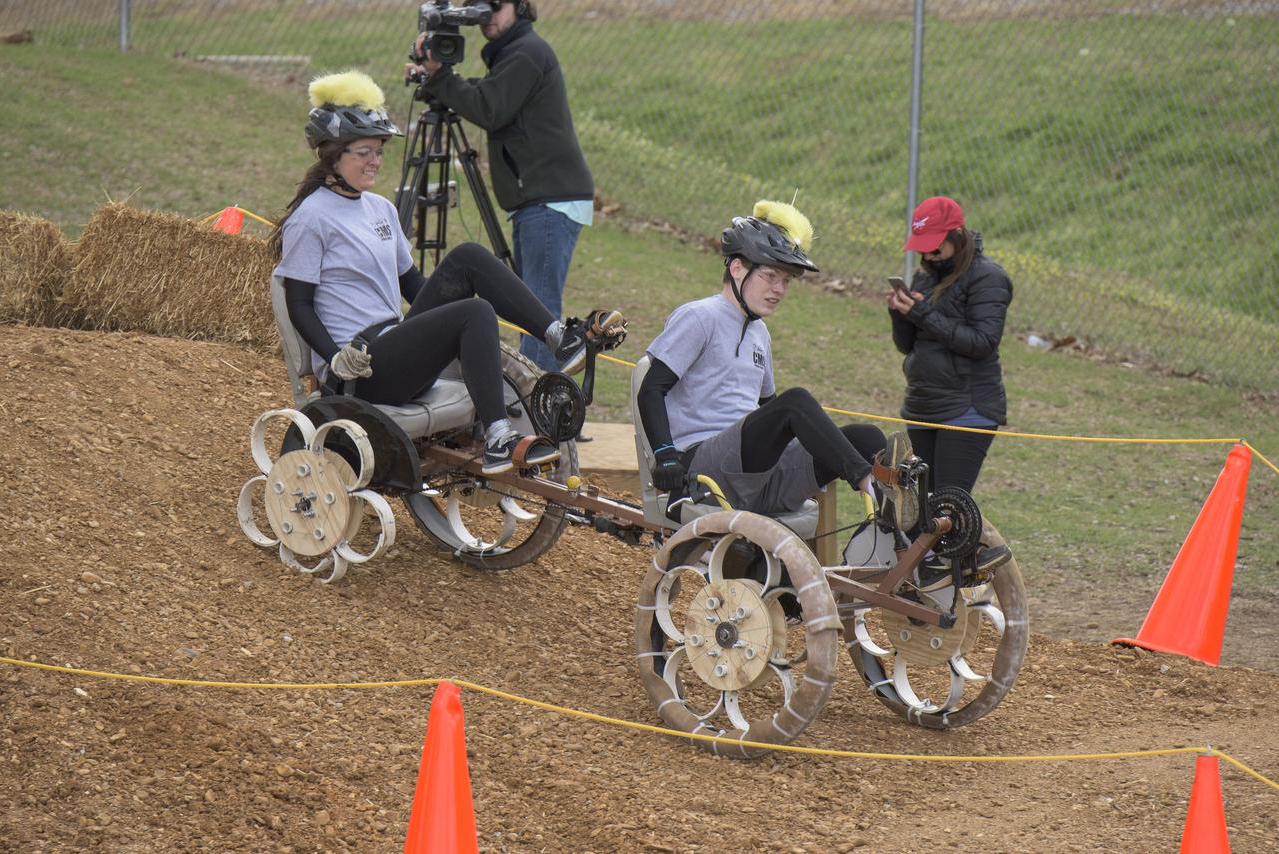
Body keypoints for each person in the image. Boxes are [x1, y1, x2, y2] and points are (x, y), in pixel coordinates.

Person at [268, 70, 624, 476]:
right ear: (333, 154)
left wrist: (444, 315)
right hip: (360, 371)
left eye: (379, 151)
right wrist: (335, 358)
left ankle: (561, 338)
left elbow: (412, 284)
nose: (375, 161)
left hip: (396, 351)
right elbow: (299, 304)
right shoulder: (311, 218)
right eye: (364, 152)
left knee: (468, 257)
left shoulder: (380, 209)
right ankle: (499, 438)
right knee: (474, 312)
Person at [637, 200, 886, 521]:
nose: (779, 289)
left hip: (757, 478)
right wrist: (665, 456)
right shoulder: (700, 316)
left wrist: (818, 451)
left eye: (786, 281)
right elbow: (651, 389)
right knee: (795, 402)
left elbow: (770, 409)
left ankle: (903, 525)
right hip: (703, 473)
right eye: (770, 276)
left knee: (867, 437)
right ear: (737, 268)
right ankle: (868, 483)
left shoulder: (760, 332)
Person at [409, 0, 594, 372]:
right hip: (541, 199)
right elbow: (488, 94)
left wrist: (441, 79)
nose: (488, 14)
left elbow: (489, 108)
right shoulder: (514, 52)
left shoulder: (526, 53)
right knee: (533, 307)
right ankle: (538, 395)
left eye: (497, 4)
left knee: (539, 311)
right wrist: (439, 81)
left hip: (549, 201)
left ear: (520, 6)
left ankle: (541, 401)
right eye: (480, 5)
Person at [888, 195, 1013, 579]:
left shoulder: (989, 278)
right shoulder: (925, 277)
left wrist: (922, 313)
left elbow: (982, 342)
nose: (928, 255)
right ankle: (939, 581)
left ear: (957, 235)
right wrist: (900, 315)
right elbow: (908, 345)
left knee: (948, 508)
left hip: (968, 408)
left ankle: (966, 569)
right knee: (922, 509)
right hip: (923, 405)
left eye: (935, 246)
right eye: (922, 248)